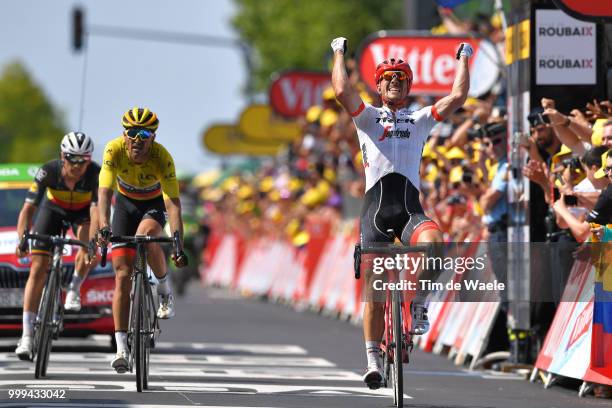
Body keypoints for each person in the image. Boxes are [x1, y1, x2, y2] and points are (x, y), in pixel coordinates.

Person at [331, 36, 472, 388]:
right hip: (375, 214)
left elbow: (457, 98)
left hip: (410, 211)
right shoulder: (367, 118)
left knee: (436, 243)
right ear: (377, 85)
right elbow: (340, 91)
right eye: (387, 77)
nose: (394, 81)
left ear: (408, 86)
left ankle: (419, 301)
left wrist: (464, 58)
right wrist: (337, 52)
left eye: (400, 78)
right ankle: (372, 359)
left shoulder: (420, 118)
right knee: (376, 294)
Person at [96, 107, 187, 373]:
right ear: (124, 135)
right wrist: (103, 226)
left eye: (144, 133)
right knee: (122, 275)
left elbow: (173, 204)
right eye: (132, 132)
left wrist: (177, 240)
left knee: (146, 237)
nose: (137, 139)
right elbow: (104, 193)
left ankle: (163, 287)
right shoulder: (114, 150)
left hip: (153, 204)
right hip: (124, 205)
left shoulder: (162, 158)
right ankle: (121, 347)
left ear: (153, 137)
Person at [14, 132, 99, 360]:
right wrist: (22, 237)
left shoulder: (95, 174)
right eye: (72, 158)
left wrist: (92, 241)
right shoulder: (48, 171)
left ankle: (73, 288)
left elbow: (95, 210)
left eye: (84, 160)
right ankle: (27, 336)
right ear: (63, 155)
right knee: (38, 267)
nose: (78, 165)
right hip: (53, 210)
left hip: (82, 214)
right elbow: (28, 209)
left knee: (87, 245)